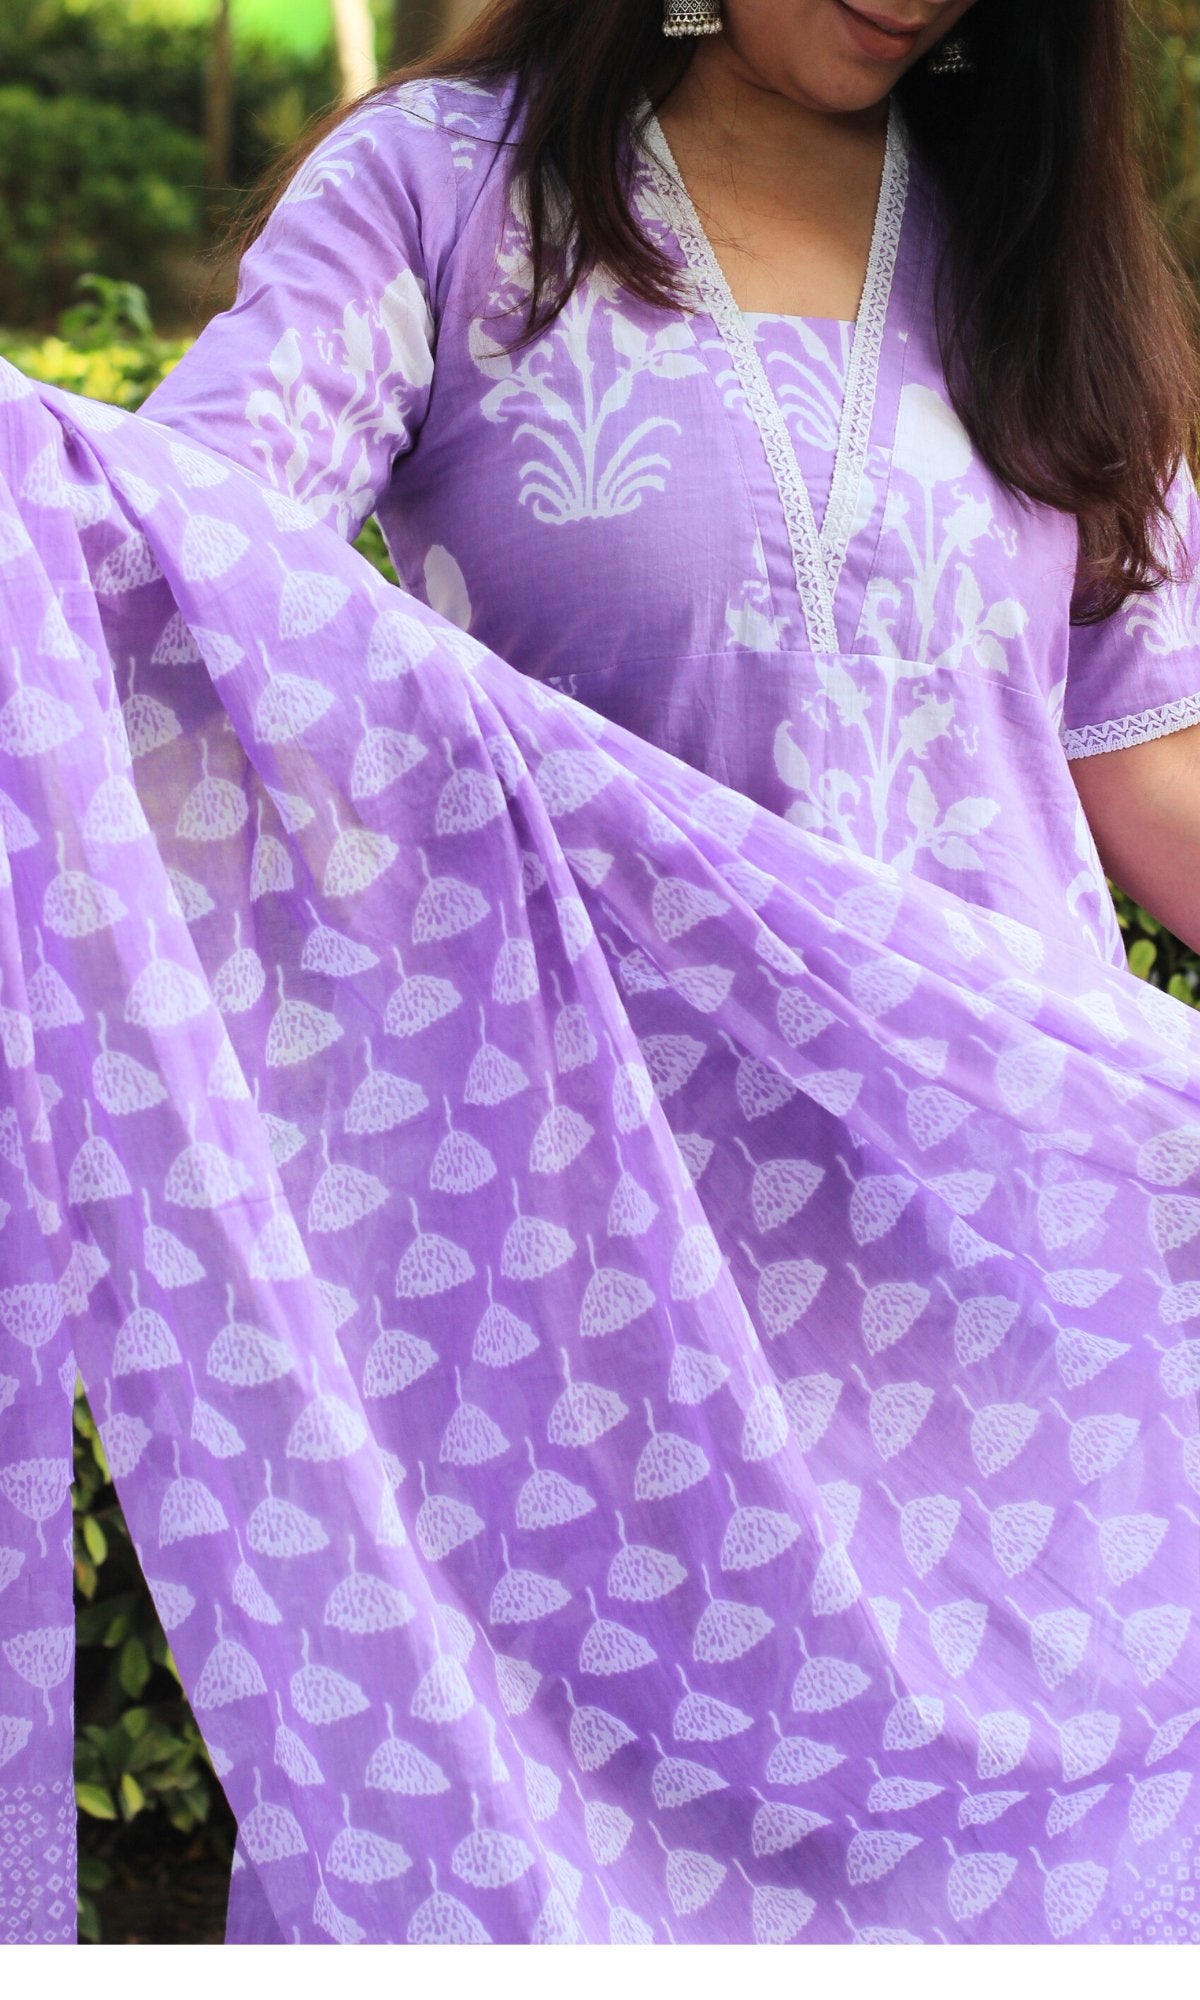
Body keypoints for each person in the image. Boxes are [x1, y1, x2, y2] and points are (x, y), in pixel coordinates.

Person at [1, 0, 1199, 1948]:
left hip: (1008, 1392)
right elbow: (178, 586)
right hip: (594, 1378)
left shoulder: (1031, 252)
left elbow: (1144, 760)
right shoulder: (446, 202)